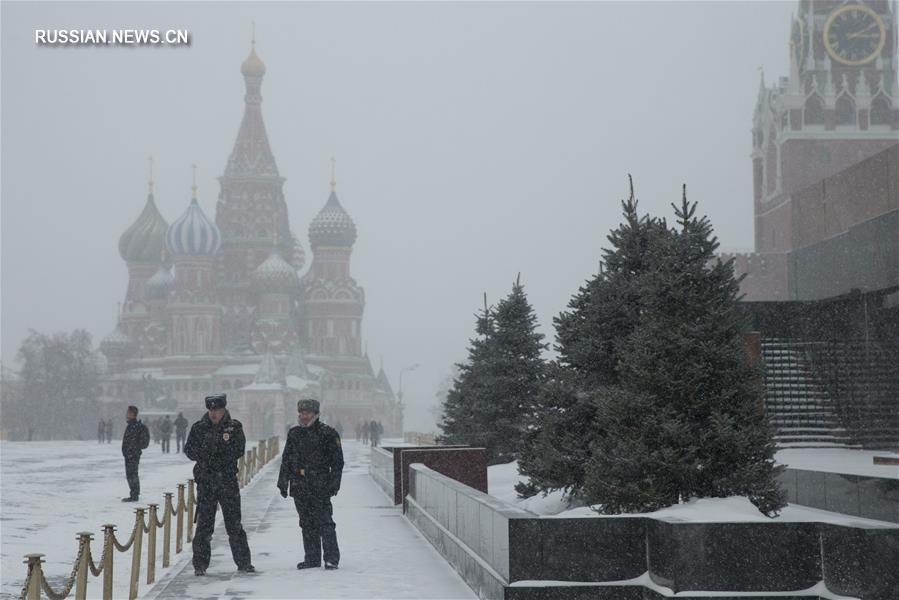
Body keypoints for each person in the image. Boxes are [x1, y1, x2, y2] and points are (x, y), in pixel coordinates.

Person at [185, 393, 254, 576]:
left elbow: (238, 449)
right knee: (204, 526)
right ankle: (200, 564)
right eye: (211, 410)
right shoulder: (199, 428)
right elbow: (189, 450)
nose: (213, 413)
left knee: (234, 524)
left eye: (217, 410)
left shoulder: (234, 427)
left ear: (224, 410)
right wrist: (207, 452)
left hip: (226, 481)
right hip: (206, 481)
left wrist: (218, 453)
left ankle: (244, 562)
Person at [278, 398, 344, 571]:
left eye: (307, 413)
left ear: (316, 414)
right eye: (301, 413)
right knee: (306, 523)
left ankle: (331, 559)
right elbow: (286, 459)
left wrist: (334, 483)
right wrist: (283, 482)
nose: (304, 416)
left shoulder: (328, 433)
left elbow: (337, 462)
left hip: (320, 484)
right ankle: (312, 558)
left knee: (325, 522)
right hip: (300, 485)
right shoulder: (294, 433)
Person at [121, 406, 150, 502]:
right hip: (129, 454)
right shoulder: (131, 426)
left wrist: (134, 449)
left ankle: (134, 494)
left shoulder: (137, 426)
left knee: (132, 474)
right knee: (130, 474)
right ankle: (133, 493)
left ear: (133, 414)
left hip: (133, 454)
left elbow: (143, 443)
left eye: (129, 413)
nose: (127, 414)